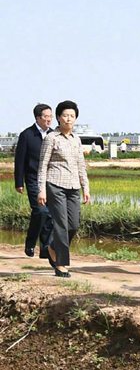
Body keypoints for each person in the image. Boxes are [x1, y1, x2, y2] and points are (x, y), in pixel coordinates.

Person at [36, 100, 91, 278]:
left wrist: (86, 188)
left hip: (74, 186)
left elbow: (81, 165)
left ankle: (52, 247)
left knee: (73, 224)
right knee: (61, 224)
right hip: (55, 184)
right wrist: (41, 189)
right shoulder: (52, 138)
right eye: (65, 116)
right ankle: (60, 264)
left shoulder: (76, 139)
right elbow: (43, 165)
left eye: (72, 116)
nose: (68, 119)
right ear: (59, 118)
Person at [14, 103, 54, 259]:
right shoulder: (27, 135)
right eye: (46, 116)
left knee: (50, 215)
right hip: (33, 179)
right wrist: (18, 182)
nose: (49, 119)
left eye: (51, 116)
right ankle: (30, 243)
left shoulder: (53, 134)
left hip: (50, 180)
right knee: (41, 210)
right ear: (38, 118)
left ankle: (44, 248)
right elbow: (20, 160)